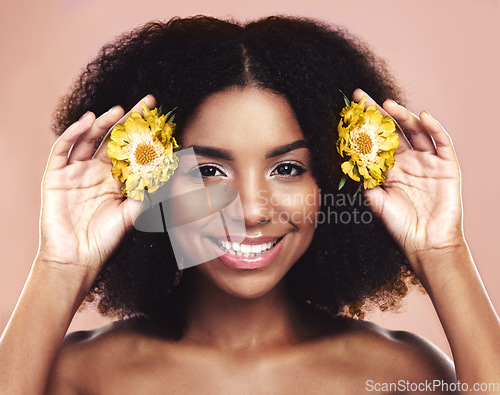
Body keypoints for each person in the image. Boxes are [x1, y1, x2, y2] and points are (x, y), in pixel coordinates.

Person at [1, 15, 499, 394]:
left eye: (287, 168)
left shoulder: (402, 374)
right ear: (153, 181)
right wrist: (60, 266)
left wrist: (443, 251)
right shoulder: (75, 374)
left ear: (329, 179)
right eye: (209, 170)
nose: (253, 210)